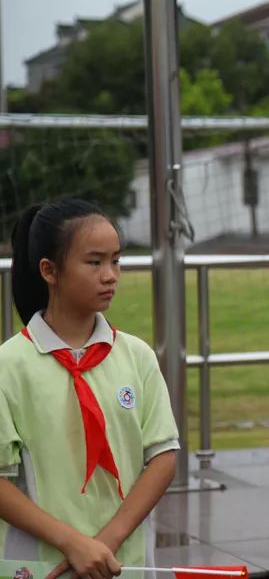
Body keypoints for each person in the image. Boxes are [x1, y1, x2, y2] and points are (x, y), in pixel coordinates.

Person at [0, 199, 180, 578]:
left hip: (124, 563)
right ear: (49, 270)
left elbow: (163, 456)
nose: (110, 275)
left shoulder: (137, 356)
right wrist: (73, 543)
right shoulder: (10, 365)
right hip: (43, 566)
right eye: (95, 262)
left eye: (116, 260)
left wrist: (106, 542)